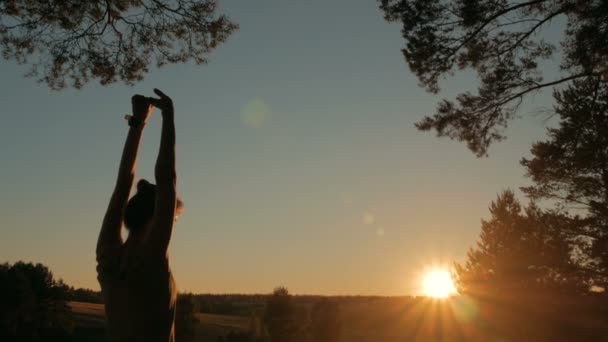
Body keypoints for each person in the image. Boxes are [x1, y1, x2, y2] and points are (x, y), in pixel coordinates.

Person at [96, 89, 183, 341]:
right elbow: (166, 179)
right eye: (173, 219)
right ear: (154, 219)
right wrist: (168, 117)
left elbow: (123, 183)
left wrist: (138, 123)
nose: (172, 224)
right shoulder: (151, 257)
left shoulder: (108, 255)